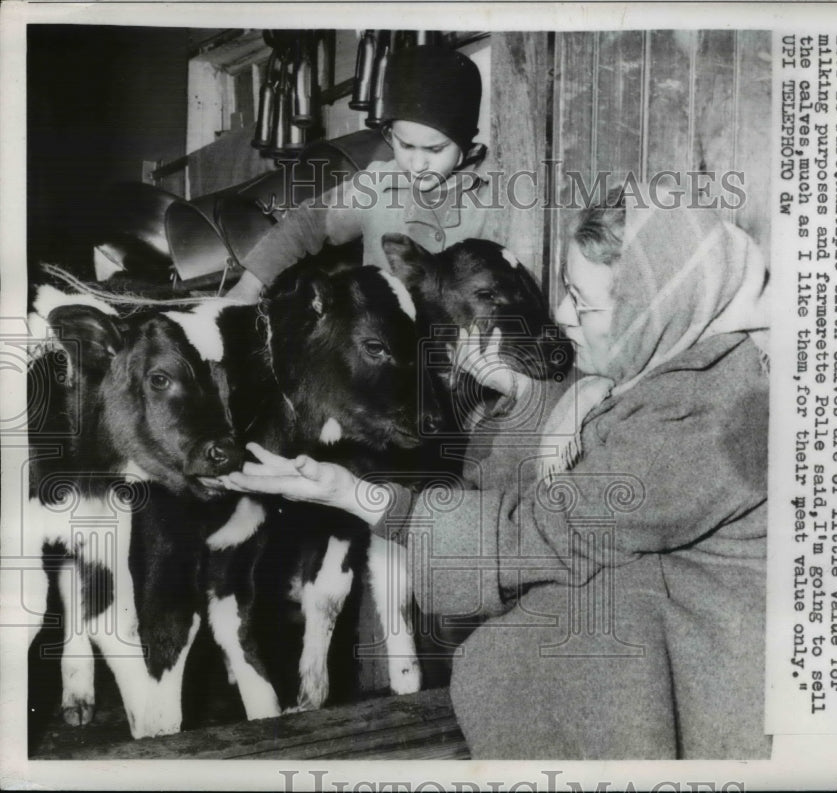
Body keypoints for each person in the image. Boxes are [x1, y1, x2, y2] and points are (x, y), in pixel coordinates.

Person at [223, 182, 772, 760]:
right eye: (564, 291)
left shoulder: (701, 418)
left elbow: (536, 533)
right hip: (689, 628)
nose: (560, 315)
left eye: (583, 303)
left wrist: (356, 494)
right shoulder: (687, 369)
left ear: (655, 309)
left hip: (721, 674)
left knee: (508, 661)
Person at [227, 45, 492, 302]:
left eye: (435, 149)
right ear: (389, 134)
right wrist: (249, 285)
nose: (418, 163)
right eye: (406, 145)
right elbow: (307, 223)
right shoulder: (375, 185)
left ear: (464, 143)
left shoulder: (494, 191)